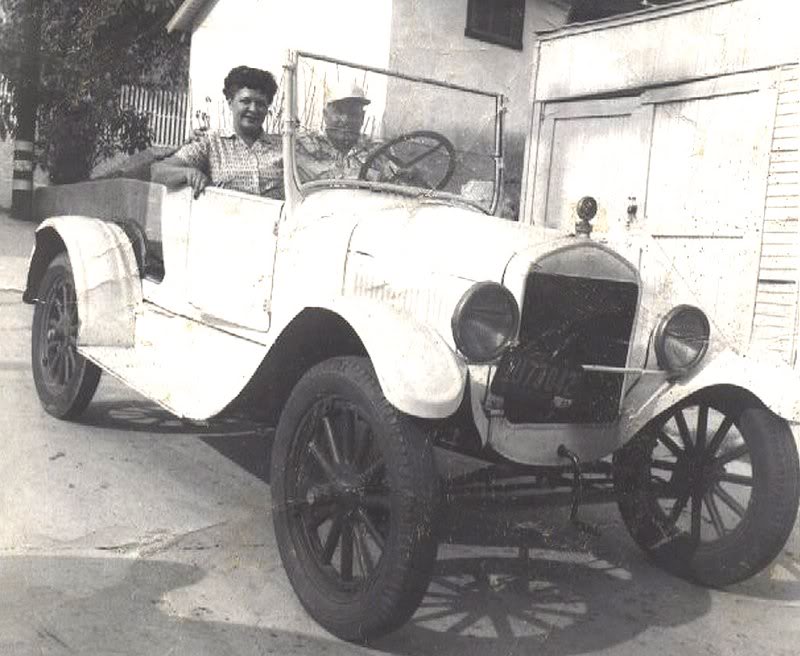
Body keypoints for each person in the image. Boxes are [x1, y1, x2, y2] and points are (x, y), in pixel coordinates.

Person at [153, 66, 283, 199]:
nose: (253, 109)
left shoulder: (283, 147)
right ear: (230, 103)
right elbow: (157, 171)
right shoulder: (211, 142)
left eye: (260, 104)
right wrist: (188, 173)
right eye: (246, 101)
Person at [295, 81, 374, 182]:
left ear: (362, 117)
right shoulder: (302, 146)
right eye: (339, 112)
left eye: (353, 113)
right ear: (325, 115)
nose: (345, 119)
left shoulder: (375, 151)